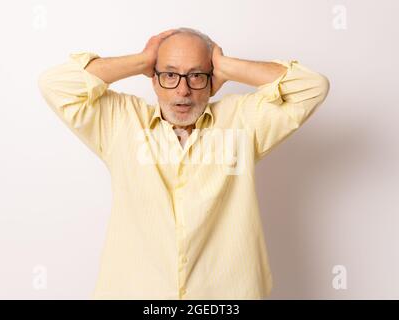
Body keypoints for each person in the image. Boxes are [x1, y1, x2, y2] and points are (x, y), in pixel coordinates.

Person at [38, 27, 330, 299]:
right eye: (170, 75)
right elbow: (55, 85)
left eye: (196, 76)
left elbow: (312, 86)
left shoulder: (243, 121)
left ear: (211, 80)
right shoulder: (120, 121)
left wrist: (227, 66)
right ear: (154, 79)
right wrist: (142, 60)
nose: (183, 91)